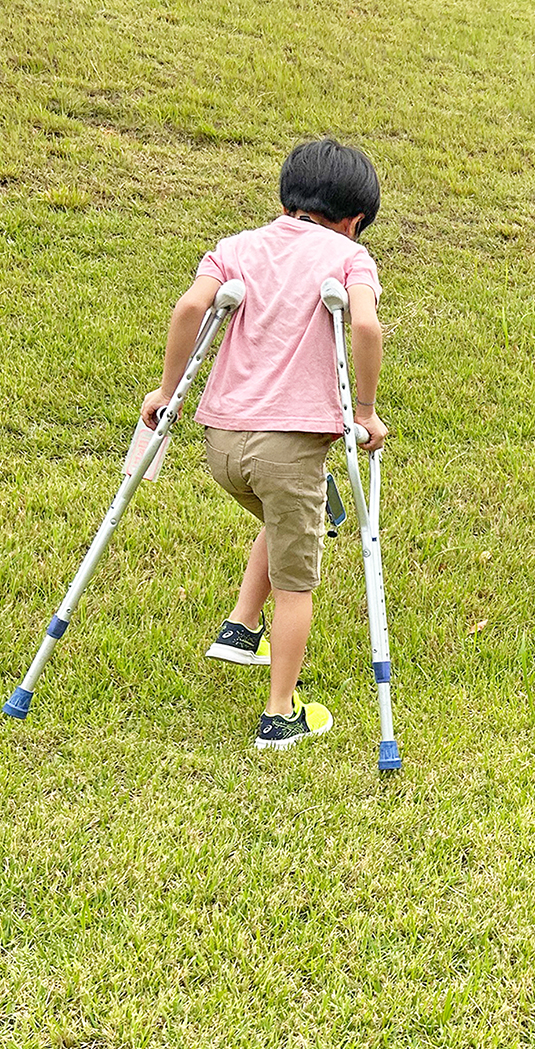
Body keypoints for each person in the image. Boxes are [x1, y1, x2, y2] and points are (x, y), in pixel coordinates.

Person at [140, 138, 387, 749]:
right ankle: (281, 714)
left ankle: (240, 627)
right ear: (355, 220)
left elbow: (191, 307)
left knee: (288, 519)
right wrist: (365, 410)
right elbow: (364, 324)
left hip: (221, 443)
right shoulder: (350, 258)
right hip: (291, 447)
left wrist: (167, 390)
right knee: (300, 574)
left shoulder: (235, 247)